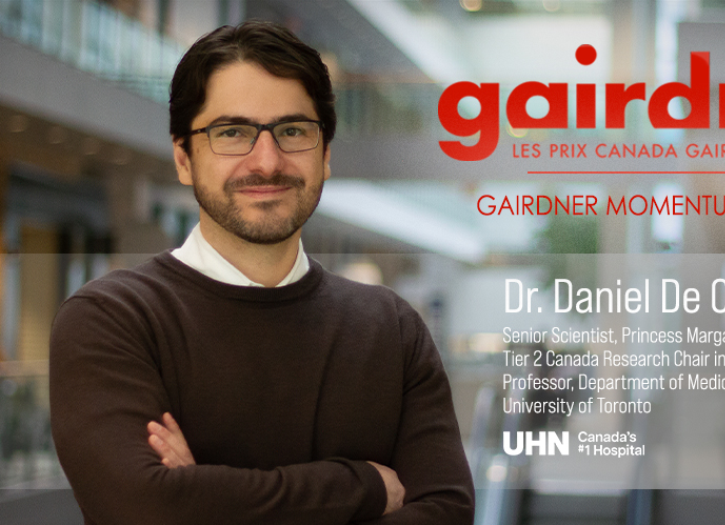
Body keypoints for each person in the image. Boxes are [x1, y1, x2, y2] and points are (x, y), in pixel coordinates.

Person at [49, 20, 474, 525]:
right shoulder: (112, 320)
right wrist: (359, 486)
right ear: (184, 157)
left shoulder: (392, 329)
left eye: (293, 131)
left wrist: (205, 499)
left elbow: (448, 512)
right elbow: (145, 507)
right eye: (233, 133)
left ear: (326, 154)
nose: (267, 161)